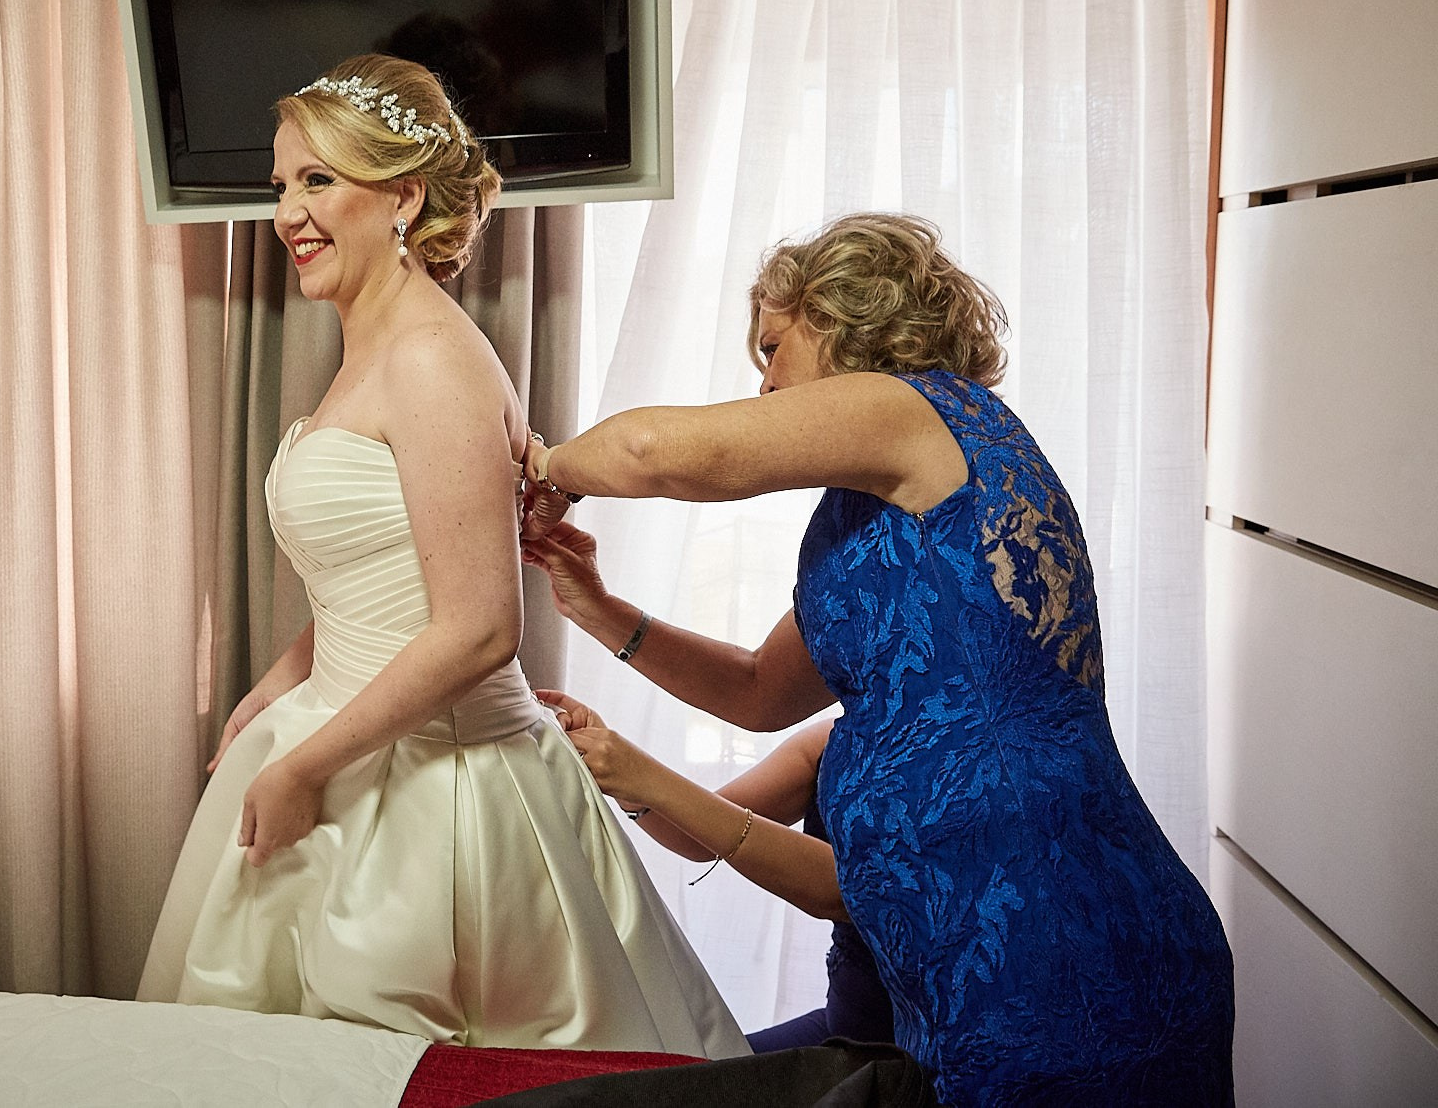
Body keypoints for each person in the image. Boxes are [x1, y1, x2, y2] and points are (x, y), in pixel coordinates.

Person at [519, 213, 1235, 1106]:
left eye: (774, 345)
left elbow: (660, 451)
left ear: (843, 316)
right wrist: (599, 608)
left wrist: (542, 466)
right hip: (954, 974)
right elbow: (757, 689)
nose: (766, 378)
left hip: (1062, 948)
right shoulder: (876, 509)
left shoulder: (917, 406)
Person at [136, 54, 745, 1058]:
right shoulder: (370, 347)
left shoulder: (427, 356)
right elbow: (376, 577)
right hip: (351, 736)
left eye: (318, 181)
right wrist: (277, 687)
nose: (287, 211)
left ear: (403, 196)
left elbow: (477, 628)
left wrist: (306, 765)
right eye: (280, 184)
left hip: (441, 790)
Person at [529, 695, 898, 1054]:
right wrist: (629, 785)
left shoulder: (945, 770)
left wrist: (644, 776)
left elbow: (849, 892)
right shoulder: (834, 740)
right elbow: (699, 839)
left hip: (914, 1052)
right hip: (847, 1024)